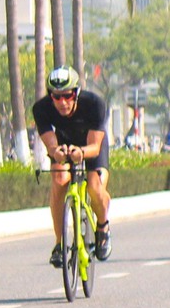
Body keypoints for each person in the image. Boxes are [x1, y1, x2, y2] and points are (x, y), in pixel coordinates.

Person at [33, 66, 112, 265]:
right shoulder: (41, 108)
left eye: (67, 96)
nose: (62, 102)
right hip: (64, 144)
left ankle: (102, 228)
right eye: (56, 96)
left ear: (76, 93)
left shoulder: (94, 104)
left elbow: (94, 146)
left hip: (91, 145)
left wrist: (82, 153)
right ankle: (60, 244)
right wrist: (55, 151)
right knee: (59, 180)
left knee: (95, 187)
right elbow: (51, 144)